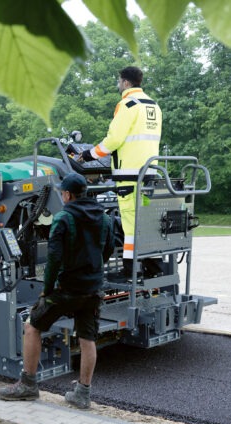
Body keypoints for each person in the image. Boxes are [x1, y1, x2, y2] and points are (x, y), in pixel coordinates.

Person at [0, 172, 114, 409]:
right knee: (87, 338)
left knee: (32, 326)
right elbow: (108, 250)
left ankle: (28, 385)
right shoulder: (105, 218)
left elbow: (53, 260)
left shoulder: (63, 218)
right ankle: (83, 394)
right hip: (92, 289)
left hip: (66, 289)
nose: (62, 195)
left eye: (63, 192)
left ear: (68, 194)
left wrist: (46, 290)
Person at [80, 66, 162, 278]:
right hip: (149, 174)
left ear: (126, 82)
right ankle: (153, 269)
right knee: (147, 222)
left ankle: (130, 271)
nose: (118, 85)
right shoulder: (153, 105)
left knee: (130, 225)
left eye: (119, 81)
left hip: (129, 177)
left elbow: (114, 140)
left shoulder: (127, 105)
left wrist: (89, 155)